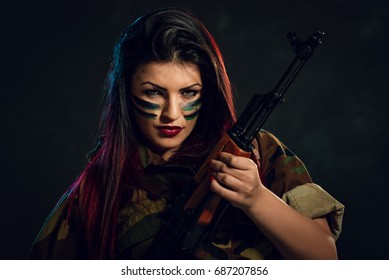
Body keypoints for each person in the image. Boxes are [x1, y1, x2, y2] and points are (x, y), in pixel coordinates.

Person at [28, 7, 344, 260]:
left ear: (207, 93)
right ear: (126, 93)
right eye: (153, 92)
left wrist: (257, 199)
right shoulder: (96, 191)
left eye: (188, 93)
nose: (172, 113)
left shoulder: (259, 154)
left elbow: (324, 259)